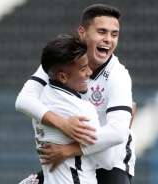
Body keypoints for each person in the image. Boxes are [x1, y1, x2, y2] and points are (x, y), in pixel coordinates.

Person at [16, 4, 136, 184]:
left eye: (114, 34)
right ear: (82, 32)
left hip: (109, 159)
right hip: (73, 157)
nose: (109, 40)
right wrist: (63, 124)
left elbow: (118, 134)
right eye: (102, 31)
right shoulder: (61, 60)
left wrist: (70, 149)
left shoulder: (118, 76)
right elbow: (24, 100)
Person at [31, 33, 117, 183]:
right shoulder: (81, 109)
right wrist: (123, 127)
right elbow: (108, 162)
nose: (90, 72)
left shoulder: (38, 101)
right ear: (62, 77)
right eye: (83, 69)